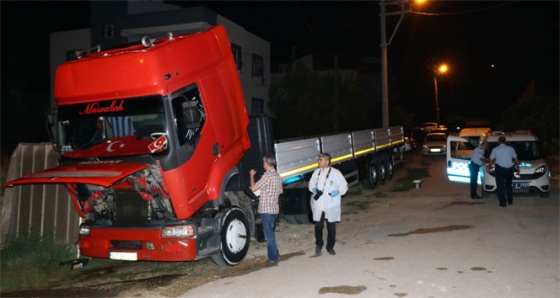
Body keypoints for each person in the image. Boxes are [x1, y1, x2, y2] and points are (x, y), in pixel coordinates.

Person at [308, 153, 348, 256]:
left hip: (331, 204)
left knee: (331, 227)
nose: (318, 162)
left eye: (320, 160)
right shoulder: (316, 172)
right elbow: (311, 184)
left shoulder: (335, 173)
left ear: (327, 161)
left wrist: (338, 191)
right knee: (318, 226)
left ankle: (330, 246)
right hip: (319, 204)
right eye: (319, 160)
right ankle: (319, 245)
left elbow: (344, 186)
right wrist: (313, 189)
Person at [249, 154, 283, 266]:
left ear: (267, 163)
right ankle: (276, 253)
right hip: (274, 209)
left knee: (268, 236)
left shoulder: (267, 176)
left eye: (263, 162)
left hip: (266, 210)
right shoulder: (277, 176)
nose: (263, 164)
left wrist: (251, 176)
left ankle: (273, 258)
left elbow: (254, 188)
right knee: (271, 234)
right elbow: (281, 191)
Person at [489, 136, 519, 207]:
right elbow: (515, 158)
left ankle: (503, 202)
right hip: (509, 169)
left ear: (498, 142)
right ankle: (510, 200)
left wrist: (490, 166)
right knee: (509, 185)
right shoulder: (510, 148)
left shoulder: (495, 149)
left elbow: (491, 159)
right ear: (505, 141)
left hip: (500, 169)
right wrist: (518, 167)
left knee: (500, 186)